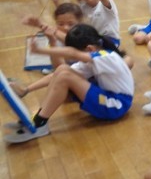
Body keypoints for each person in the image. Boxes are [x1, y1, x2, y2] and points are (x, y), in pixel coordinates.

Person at [4, 24, 134, 144]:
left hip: (117, 105)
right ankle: (38, 117)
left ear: (89, 49)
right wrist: (27, 89)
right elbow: (56, 75)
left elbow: (72, 53)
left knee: (65, 76)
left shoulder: (107, 57)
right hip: (108, 97)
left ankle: (40, 124)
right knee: (63, 70)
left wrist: (40, 50)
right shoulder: (94, 58)